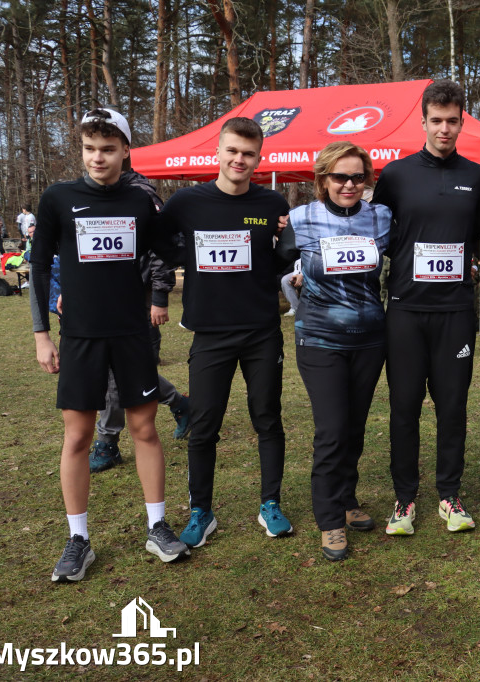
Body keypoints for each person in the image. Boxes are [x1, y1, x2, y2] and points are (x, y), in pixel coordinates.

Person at [29, 107, 189, 582]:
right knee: (78, 436)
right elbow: (38, 269)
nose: (98, 158)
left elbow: (174, 249)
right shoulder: (58, 198)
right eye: (90, 149)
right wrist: (41, 335)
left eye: (108, 148)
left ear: (125, 150)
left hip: (132, 333)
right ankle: (78, 538)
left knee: (144, 430)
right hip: (79, 336)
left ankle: (157, 525)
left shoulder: (142, 201)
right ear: (82, 150)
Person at [159, 117, 295, 549]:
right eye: (232, 151)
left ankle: (269, 503)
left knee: (267, 419)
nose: (240, 159)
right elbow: (161, 244)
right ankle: (202, 510)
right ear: (218, 151)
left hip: (260, 330)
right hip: (211, 331)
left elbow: (278, 261)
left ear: (259, 158)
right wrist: (190, 259)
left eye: (249, 153)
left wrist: (281, 251)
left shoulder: (272, 202)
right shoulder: (187, 201)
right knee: (203, 424)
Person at [373, 80, 480, 535]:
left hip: (456, 311)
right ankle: (404, 500)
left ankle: (449, 494)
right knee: (403, 407)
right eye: (436, 121)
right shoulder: (396, 175)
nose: (444, 128)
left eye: (452, 121)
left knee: (452, 406)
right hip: (404, 310)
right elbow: (370, 233)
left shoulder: (476, 176)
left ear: (462, 122)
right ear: (423, 122)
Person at [286, 142, 392, 560]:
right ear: (322, 179)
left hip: (369, 340)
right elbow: (280, 262)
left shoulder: (381, 218)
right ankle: (329, 520)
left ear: (367, 179)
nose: (348, 184)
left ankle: (347, 501)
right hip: (319, 339)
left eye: (357, 177)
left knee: (354, 427)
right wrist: (293, 275)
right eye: (339, 177)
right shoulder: (299, 218)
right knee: (331, 430)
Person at [88, 169, 190, 473]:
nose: (98, 158)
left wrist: (159, 296)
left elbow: (160, 249)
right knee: (127, 371)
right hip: (101, 300)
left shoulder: (140, 194)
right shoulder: (89, 194)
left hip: (136, 298)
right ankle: (180, 403)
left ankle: (107, 442)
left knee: (118, 375)